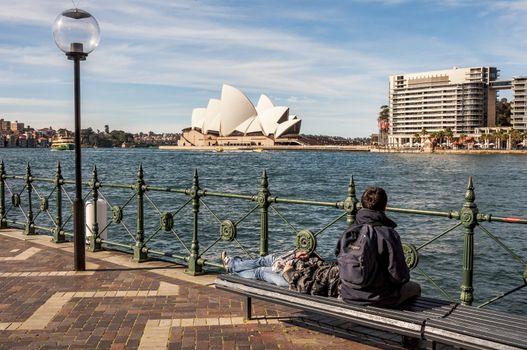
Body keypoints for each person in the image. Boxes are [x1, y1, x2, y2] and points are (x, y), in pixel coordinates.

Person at [336, 186, 421, 307]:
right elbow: (399, 276)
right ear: (385, 207)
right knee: (415, 287)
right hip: (379, 298)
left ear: (362, 205)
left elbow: (339, 259)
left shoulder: (350, 231)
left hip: (348, 294)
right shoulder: (388, 234)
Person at [221, 249, 311, 288]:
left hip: (290, 278)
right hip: (295, 272)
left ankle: (232, 266)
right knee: (268, 260)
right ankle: (232, 266)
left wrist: (289, 270)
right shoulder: (321, 271)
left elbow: (302, 282)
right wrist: (294, 255)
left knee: (260, 270)